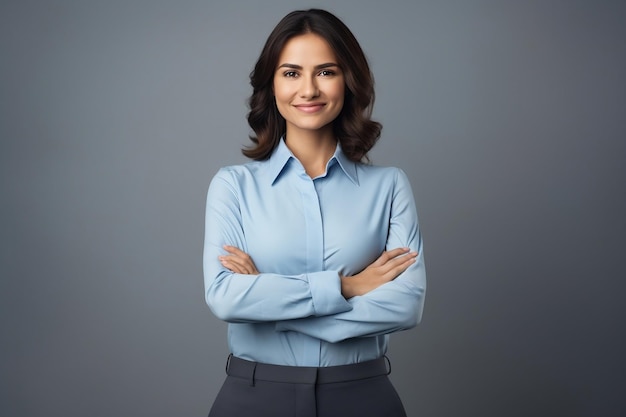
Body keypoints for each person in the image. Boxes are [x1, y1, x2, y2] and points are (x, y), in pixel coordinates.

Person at [203, 8, 426, 417]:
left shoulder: (389, 186)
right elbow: (225, 298)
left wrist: (270, 306)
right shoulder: (233, 186)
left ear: (349, 81)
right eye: (291, 73)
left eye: (326, 72)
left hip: (362, 396)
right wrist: (348, 287)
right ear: (271, 85)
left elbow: (404, 305)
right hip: (254, 397)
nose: (308, 89)